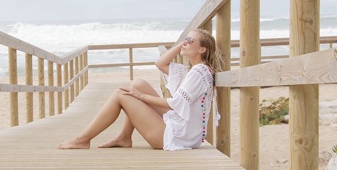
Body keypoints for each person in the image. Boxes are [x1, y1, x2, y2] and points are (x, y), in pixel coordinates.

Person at [58, 29, 221, 150]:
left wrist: (140, 96)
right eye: (185, 39)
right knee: (138, 83)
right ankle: (124, 137)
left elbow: (175, 103)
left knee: (121, 94)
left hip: (177, 137)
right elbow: (161, 63)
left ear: (202, 49)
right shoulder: (193, 71)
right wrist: (182, 44)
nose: (185, 42)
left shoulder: (198, 72)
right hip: (185, 133)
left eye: (190, 40)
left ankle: (83, 139)